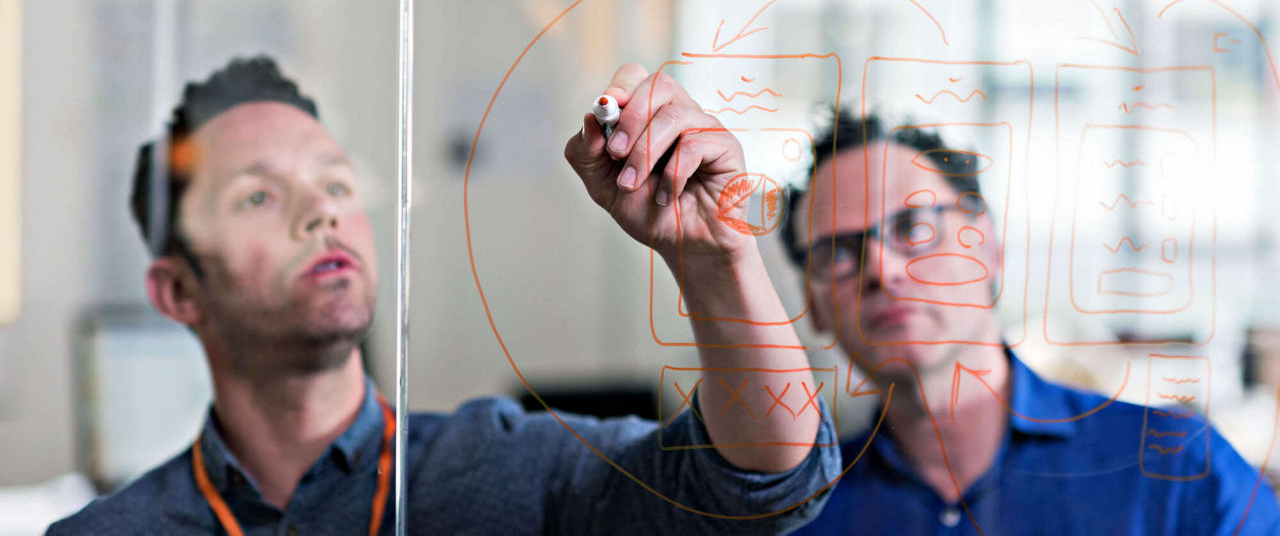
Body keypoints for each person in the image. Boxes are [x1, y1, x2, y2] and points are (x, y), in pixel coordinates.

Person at [49, 57, 839, 535]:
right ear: (179, 289)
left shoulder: (500, 471)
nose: (321, 210)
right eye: (258, 197)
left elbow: (758, 485)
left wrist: (715, 259)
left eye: (334, 182)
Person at [778, 111, 1280, 535]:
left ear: (988, 248)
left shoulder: (1178, 472)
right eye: (838, 252)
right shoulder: (798, 516)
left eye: (914, 227)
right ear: (812, 304)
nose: (881, 269)